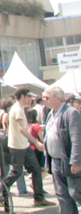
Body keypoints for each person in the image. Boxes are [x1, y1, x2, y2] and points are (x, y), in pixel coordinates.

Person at [3, 87, 56, 207]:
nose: (30, 98)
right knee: (16, 172)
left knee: (35, 169)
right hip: (18, 146)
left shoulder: (18, 108)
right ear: (22, 97)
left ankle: (39, 197)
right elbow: (22, 129)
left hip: (23, 145)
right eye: (28, 96)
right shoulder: (18, 109)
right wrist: (36, 142)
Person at [43, 86, 81, 214]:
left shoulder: (71, 113)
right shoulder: (51, 114)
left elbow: (76, 138)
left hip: (69, 160)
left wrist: (76, 160)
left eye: (47, 98)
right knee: (62, 194)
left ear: (58, 98)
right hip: (56, 160)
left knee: (75, 192)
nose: (44, 100)